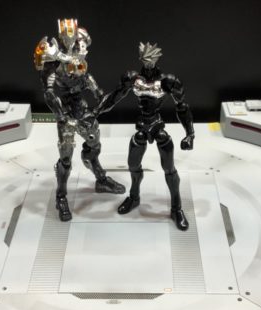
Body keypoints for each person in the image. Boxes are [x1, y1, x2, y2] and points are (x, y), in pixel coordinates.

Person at [95, 42, 194, 230]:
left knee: (169, 169)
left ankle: (176, 208)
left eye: (151, 59)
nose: (148, 63)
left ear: (156, 59)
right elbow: (115, 97)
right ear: (141, 59)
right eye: (145, 59)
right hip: (141, 126)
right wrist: (97, 110)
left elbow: (182, 107)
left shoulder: (168, 81)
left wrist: (190, 134)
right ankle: (134, 197)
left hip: (157, 125)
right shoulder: (133, 78)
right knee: (133, 165)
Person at [34, 18, 125, 221]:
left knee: (94, 143)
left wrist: (97, 92)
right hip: (65, 109)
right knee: (66, 157)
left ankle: (101, 179)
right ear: (60, 36)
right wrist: (62, 116)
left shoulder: (79, 48)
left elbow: (84, 75)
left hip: (80, 105)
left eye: (73, 36)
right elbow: (49, 92)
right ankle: (61, 196)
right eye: (66, 36)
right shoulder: (51, 57)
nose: (71, 40)